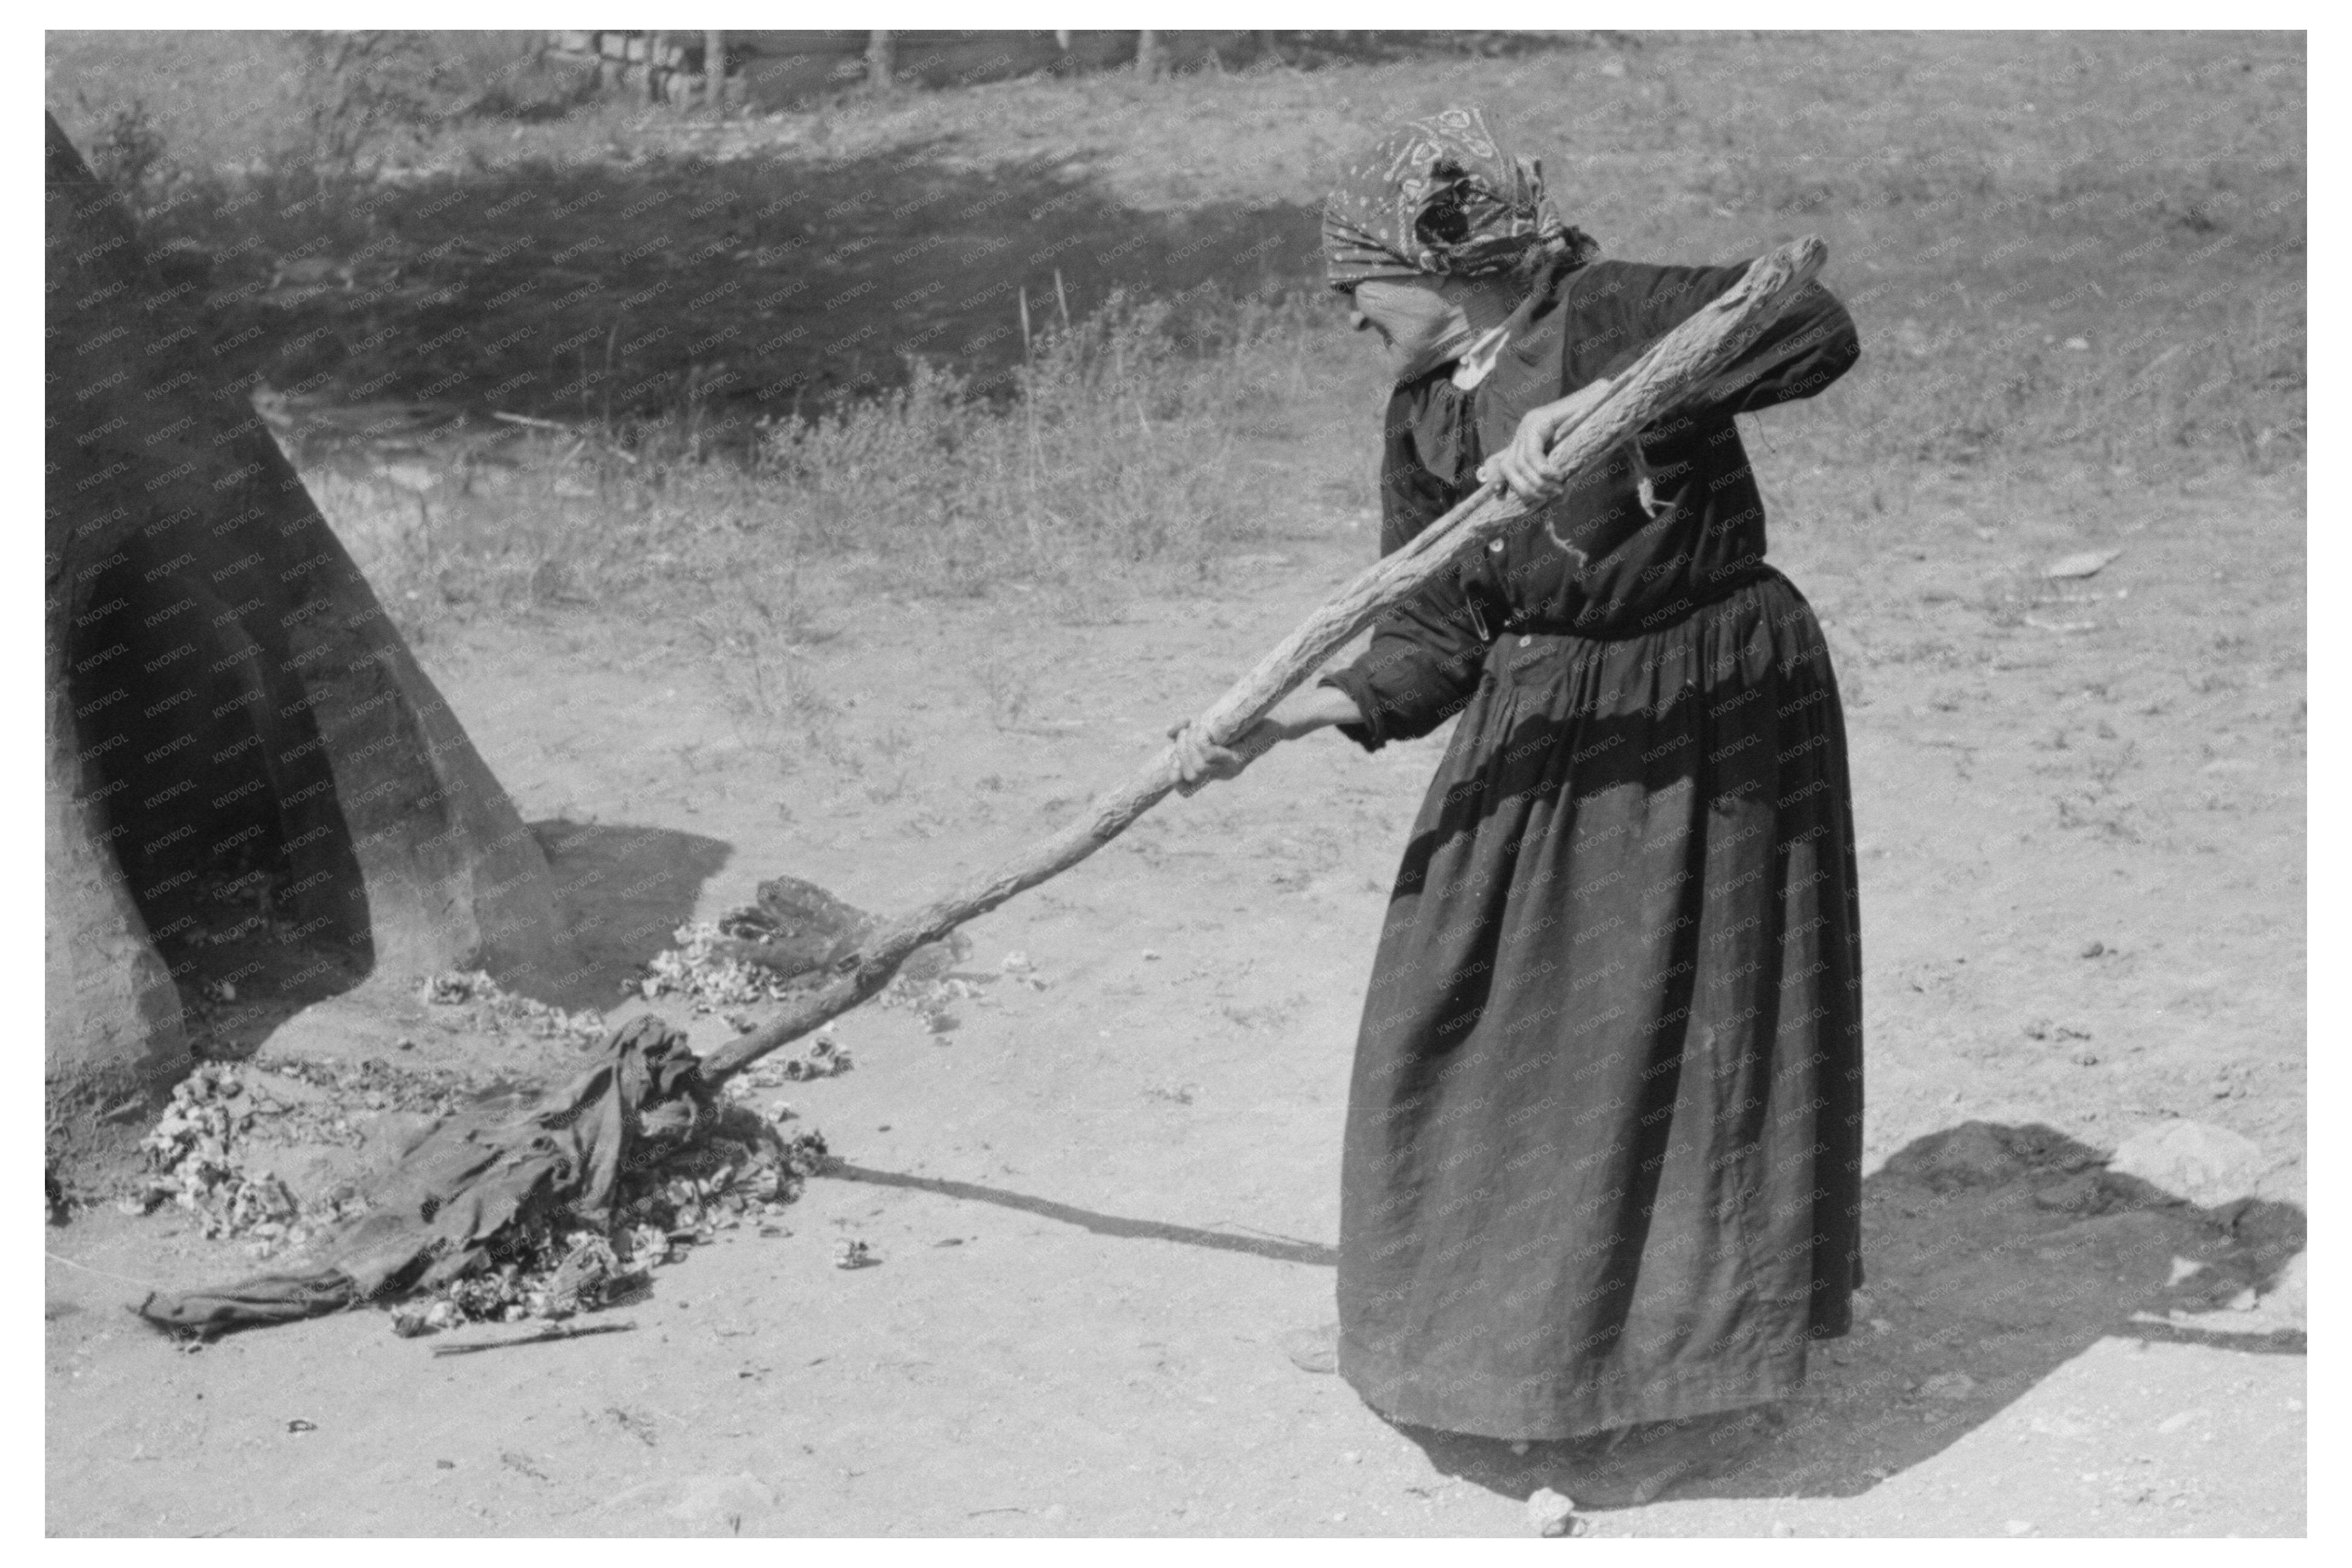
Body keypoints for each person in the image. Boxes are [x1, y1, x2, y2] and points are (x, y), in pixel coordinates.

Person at [1173, 106, 1866, 1449]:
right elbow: (1432, 631)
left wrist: (1618, 398)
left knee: (1677, 1029)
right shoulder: (1423, 410)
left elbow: (1808, 324)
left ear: (1442, 266)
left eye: (1351, 288)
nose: (1344, 316)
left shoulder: (1604, 310)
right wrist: (1294, 718)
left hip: (1703, 695)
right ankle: (1478, 1339)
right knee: (1454, 1002)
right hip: (1545, 702)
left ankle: (1675, 1375)